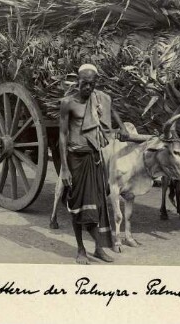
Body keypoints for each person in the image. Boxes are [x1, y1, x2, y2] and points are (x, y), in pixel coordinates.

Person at [59, 63, 129, 264]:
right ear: (77, 82)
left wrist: (122, 127)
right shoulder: (68, 103)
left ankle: (98, 248)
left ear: (95, 83)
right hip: (76, 159)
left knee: (98, 205)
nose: (87, 88)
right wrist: (64, 168)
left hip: (95, 157)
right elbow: (63, 136)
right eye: (83, 83)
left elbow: (112, 110)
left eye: (91, 84)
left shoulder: (100, 100)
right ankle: (81, 249)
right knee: (77, 205)